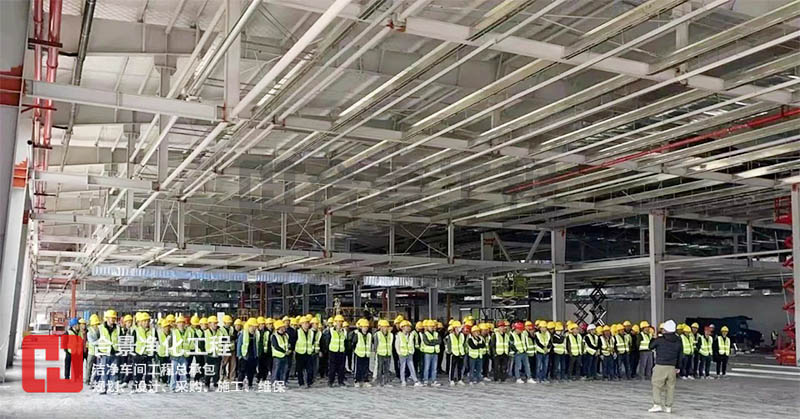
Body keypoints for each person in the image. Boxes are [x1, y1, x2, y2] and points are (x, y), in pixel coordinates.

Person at [648, 319, 682, 414]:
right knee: (670, 387)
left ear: (665, 329)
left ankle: (657, 405)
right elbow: (680, 355)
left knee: (657, 385)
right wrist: (678, 367)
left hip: (660, 365)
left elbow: (650, 346)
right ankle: (668, 407)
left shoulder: (660, 340)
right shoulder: (678, 340)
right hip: (672, 367)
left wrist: (654, 338)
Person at [96, 310, 119, 394]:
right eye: (111, 318)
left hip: (114, 353)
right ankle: (103, 388)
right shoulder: (100, 328)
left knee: (113, 371)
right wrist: (97, 352)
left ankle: (111, 388)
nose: (112, 320)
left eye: (114, 318)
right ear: (107, 318)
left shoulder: (118, 328)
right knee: (104, 372)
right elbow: (96, 341)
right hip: (104, 353)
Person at [395, 320, 421, 387]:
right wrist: (399, 352)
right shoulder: (399, 335)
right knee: (402, 367)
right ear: (402, 327)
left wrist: (412, 351)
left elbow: (411, 343)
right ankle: (403, 380)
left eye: (409, 326)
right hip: (402, 354)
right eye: (406, 326)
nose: (408, 328)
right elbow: (397, 345)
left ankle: (415, 380)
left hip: (409, 353)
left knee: (412, 367)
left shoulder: (411, 335)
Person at [204, 315, 227, 389]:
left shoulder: (220, 332)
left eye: (216, 323)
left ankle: (215, 383)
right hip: (209, 354)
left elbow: (224, 340)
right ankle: (207, 384)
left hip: (217, 353)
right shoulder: (206, 332)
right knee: (208, 370)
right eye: (214, 323)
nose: (216, 325)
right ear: (209, 324)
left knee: (216, 370)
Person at [132, 312, 154, 388]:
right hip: (138, 355)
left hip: (148, 355)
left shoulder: (152, 331)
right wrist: (134, 354)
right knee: (138, 372)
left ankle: (149, 386)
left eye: (147, 321)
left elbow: (156, 342)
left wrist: (153, 352)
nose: (146, 322)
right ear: (140, 322)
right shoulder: (136, 331)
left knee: (149, 372)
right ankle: (136, 385)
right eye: (144, 321)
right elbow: (132, 343)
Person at [236, 318, 260, 388]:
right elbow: (239, 345)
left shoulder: (256, 334)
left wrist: (256, 355)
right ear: (250, 326)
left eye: (255, 326)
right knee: (242, 371)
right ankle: (240, 384)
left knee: (251, 371)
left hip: (253, 356)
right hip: (244, 356)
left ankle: (250, 383)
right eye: (254, 326)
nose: (255, 328)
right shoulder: (243, 334)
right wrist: (239, 355)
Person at [170, 316, 192, 391]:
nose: (181, 324)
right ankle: (173, 387)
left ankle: (183, 386)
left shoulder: (187, 332)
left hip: (184, 355)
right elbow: (170, 343)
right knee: (174, 372)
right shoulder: (173, 332)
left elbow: (190, 342)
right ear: (177, 324)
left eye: (183, 323)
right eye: (179, 323)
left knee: (183, 372)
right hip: (175, 355)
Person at [295, 315, 316, 388]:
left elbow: (313, 342)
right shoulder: (297, 332)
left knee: (310, 369)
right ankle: (301, 383)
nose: (306, 325)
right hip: (300, 353)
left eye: (307, 323)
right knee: (300, 370)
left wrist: (313, 349)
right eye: (304, 323)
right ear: (301, 324)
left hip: (308, 353)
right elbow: (294, 342)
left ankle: (309, 382)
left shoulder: (311, 332)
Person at [351, 318, 372, 387]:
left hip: (366, 354)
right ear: (361, 327)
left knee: (366, 368)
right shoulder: (357, 334)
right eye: (364, 327)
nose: (365, 328)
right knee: (358, 368)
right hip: (359, 354)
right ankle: (356, 380)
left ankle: (365, 380)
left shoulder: (369, 335)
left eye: (366, 327)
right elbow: (354, 343)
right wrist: (356, 350)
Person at [420, 319, 441, 386]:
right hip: (428, 353)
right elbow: (427, 342)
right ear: (427, 327)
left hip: (435, 352)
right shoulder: (425, 334)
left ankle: (433, 380)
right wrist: (435, 342)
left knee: (434, 368)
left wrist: (432, 341)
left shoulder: (436, 334)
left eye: (432, 326)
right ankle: (425, 380)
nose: (431, 327)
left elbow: (439, 341)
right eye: (430, 326)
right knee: (427, 367)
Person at [327, 315, 347, 387]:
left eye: (340, 322)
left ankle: (340, 381)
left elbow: (345, 342)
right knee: (332, 368)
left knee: (341, 368)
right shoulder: (331, 330)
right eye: (338, 322)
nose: (339, 323)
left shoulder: (344, 331)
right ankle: (330, 381)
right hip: (333, 351)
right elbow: (327, 340)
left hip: (341, 352)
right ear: (335, 322)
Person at [374, 319, 394, 387]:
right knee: (379, 369)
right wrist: (376, 353)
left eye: (386, 327)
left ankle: (386, 382)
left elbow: (391, 344)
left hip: (388, 354)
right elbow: (376, 345)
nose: (385, 328)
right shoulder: (377, 334)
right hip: (380, 354)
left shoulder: (391, 335)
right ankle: (379, 382)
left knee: (387, 369)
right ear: (381, 327)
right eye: (384, 327)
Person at [445, 321, 466, 386]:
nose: (458, 329)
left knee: (460, 367)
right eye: (457, 327)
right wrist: (450, 352)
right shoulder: (451, 336)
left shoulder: (461, 335)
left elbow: (463, 344)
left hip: (461, 353)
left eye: (459, 327)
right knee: (452, 367)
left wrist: (463, 351)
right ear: (454, 328)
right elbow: (448, 344)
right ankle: (451, 380)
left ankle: (459, 379)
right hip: (454, 353)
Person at [270, 319, 289, 385]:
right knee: (276, 370)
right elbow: (276, 346)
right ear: (279, 328)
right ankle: (274, 383)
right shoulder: (274, 336)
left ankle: (282, 383)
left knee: (284, 370)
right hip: (277, 356)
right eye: (283, 327)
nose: (284, 328)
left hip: (285, 356)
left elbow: (287, 344)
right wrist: (284, 351)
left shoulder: (285, 335)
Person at [85, 314, 100, 387]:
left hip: (98, 352)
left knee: (98, 367)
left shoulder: (99, 330)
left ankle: (96, 380)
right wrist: (100, 342)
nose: (96, 326)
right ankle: (87, 380)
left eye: (97, 324)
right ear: (92, 325)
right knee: (89, 367)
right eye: (95, 324)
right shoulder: (89, 332)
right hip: (91, 352)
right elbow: (92, 342)